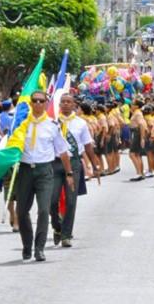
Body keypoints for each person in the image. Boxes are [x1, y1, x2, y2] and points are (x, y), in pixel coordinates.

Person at [16, 91, 74, 262]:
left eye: (42, 101)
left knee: (43, 210)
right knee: (21, 212)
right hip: (25, 170)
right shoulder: (21, 124)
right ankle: (27, 244)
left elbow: (63, 152)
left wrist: (69, 173)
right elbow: (10, 146)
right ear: (31, 103)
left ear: (46, 104)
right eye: (35, 101)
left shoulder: (52, 125)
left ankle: (39, 248)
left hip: (44, 171)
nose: (38, 104)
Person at [52, 94, 95, 246]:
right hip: (55, 163)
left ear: (74, 105)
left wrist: (94, 165)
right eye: (62, 102)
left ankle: (66, 235)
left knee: (71, 200)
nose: (65, 104)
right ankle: (57, 227)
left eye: (68, 102)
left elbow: (87, 145)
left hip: (74, 163)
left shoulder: (81, 123)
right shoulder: (52, 122)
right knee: (52, 200)